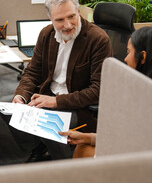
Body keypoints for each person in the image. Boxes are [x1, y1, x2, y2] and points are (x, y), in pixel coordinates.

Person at [10, 0, 113, 160]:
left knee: (49, 124)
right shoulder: (47, 34)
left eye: (72, 16)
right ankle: (39, 150)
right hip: (47, 97)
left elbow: (98, 90)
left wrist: (56, 101)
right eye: (59, 20)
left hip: (78, 106)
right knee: (11, 111)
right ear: (50, 19)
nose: (67, 25)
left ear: (78, 11)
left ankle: (65, 166)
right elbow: (32, 72)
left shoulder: (97, 40)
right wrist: (21, 96)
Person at [59, 26, 152, 157]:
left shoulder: (144, 99)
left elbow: (130, 143)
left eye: (129, 52)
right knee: (82, 146)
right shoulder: (141, 90)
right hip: (131, 149)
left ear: (142, 57)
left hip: (137, 161)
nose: (125, 59)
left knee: (83, 152)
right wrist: (86, 138)